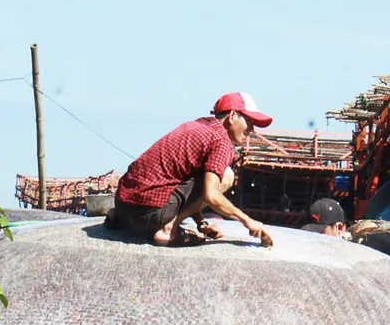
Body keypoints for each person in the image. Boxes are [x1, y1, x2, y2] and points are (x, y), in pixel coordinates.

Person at [108, 92, 273, 246]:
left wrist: (201, 222)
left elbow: (183, 184)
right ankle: (168, 229)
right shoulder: (220, 141)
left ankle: (119, 218)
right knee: (226, 175)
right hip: (150, 214)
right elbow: (211, 196)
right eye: (249, 122)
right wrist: (248, 221)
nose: (251, 131)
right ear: (231, 116)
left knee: (187, 177)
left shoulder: (192, 127)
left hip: (123, 205)